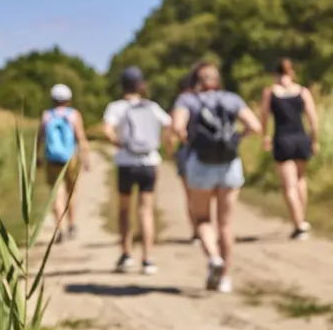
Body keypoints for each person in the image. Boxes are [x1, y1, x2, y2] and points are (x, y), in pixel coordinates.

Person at [171, 63, 261, 294]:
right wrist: (237, 137)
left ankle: (213, 258)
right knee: (226, 223)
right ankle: (225, 278)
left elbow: (177, 127)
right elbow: (255, 126)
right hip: (229, 164)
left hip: (200, 164)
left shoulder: (187, 100)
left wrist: (187, 139)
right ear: (217, 80)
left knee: (202, 219)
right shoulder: (231, 99)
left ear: (196, 81)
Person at [103, 66, 173, 276]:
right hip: (149, 162)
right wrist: (158, 142)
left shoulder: (116, 107)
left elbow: (107, 131)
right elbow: (172, 125)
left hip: (126, 162)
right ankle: (148, 258)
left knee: (124, 210)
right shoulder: (152, 106)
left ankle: (126, 255)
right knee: (146, 210)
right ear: (141, 85)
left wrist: (120, 143)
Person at [260, 58, 319, 240]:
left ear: (275, 73)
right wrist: (314, 140)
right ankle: (302, 217)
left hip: (283, 139)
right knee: (301, 179)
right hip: (300, 138)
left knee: (288, 185)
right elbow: (313, 120)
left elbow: (264, 117)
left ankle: (299, 224)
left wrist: (265, 136)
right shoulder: (302, 91)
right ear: (291, 72)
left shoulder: (270, 93)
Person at [39, 84, 91, 243]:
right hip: (71, 158)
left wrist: (37, 156)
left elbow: (40, 138)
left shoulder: (47, 116)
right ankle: (72, 224)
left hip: (53, 158)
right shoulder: (73, 115)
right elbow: (81, 137)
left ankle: (59, 228)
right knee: (71, 192)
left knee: (57, 194)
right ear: (68, 99)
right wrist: (86, 156)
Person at [174, 72, 200, 245]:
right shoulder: (207, 99)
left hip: (188, 150)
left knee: (190, 195)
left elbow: (177, 128)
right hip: (209, 152)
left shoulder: (183, 101)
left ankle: (197, 232)